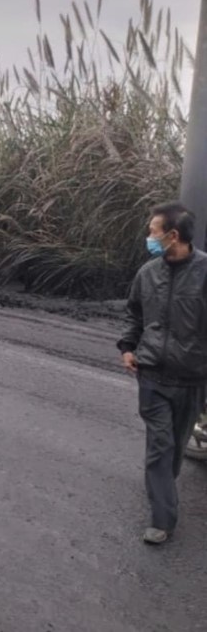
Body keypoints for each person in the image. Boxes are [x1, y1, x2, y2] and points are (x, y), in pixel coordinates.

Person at [117, 202, 207, 545]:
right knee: (159, 445)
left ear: (173, 235)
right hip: (152, 374)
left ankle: (161, 489)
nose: (148, 237)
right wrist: (128, 347)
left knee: (174, 448)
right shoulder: (148, 273)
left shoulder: (205, 272)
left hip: (192, 378)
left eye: (153, 231)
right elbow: (134, 314)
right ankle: (162, 518)